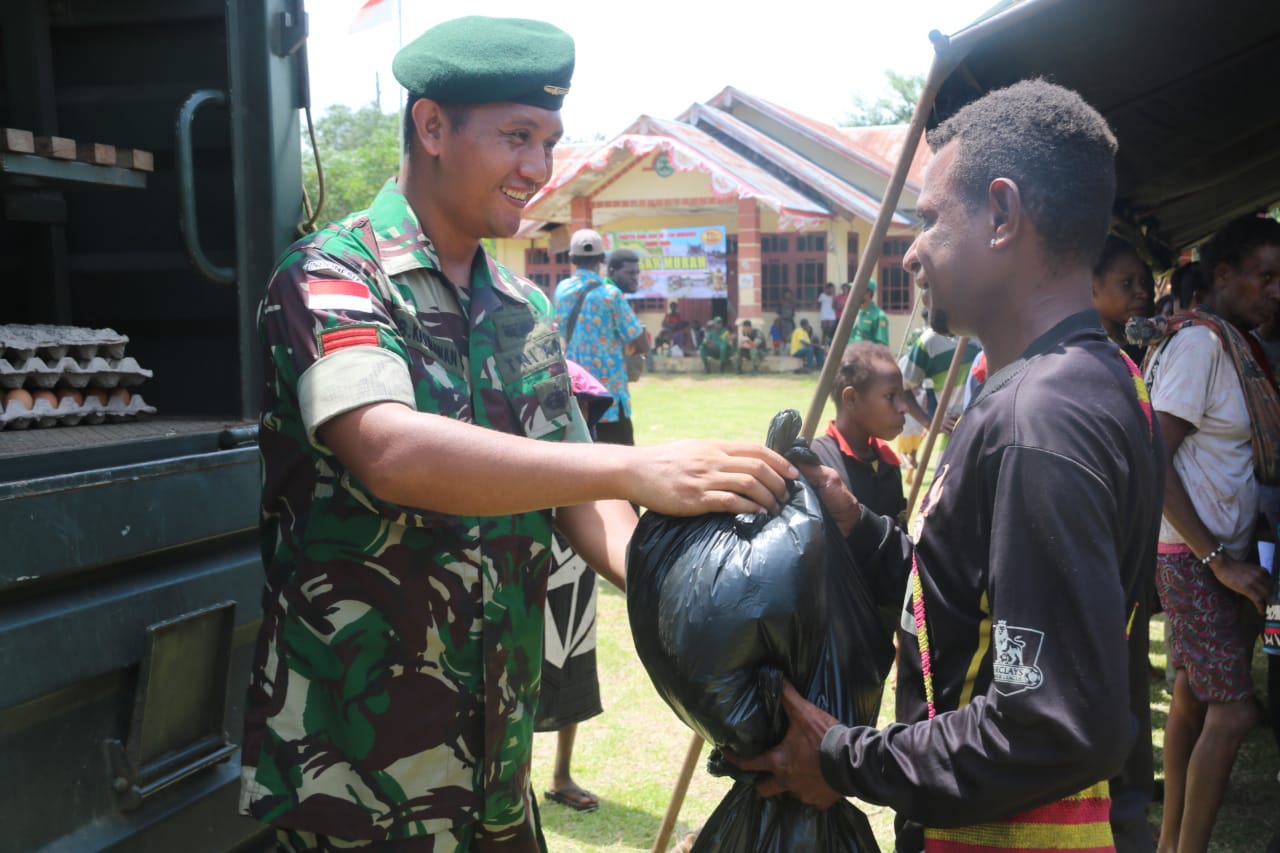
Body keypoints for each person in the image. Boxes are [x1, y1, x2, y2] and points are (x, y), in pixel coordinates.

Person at [242, 16, 796, 851]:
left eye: (549, 141)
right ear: (431, 126)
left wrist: (701, 598)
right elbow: (389, 449)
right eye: (517, 137)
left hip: (495, 773)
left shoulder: (524, 310)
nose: (538, 168)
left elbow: (585, 499)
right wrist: (634, 465)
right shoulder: (331, 276)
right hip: (348, 779)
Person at [728, 79, 1164, 853]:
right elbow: (976, 602)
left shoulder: (1040, 419)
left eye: (928, 218)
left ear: (1001, 216)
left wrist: (842, 756)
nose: (912, 249)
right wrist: (857, 522)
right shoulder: (1101, 379)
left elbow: (1053, 722)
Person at [1144, 213, 1280, 853]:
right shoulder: (1201, 345)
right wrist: (1219, 559)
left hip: (1214, 552)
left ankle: (1172, 843)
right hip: (1195, 557)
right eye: (1266, 277)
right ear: (1223, 276)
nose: (1277, 291)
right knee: (1235, 711)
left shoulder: (1232, 342)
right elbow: (1153, 458)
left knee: (1195, 696)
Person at [809, 341, 909, 527]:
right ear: (851, 398)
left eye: (902, 396)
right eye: (890, 396)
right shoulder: (816, 464)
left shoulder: (889, 464)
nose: (903, 407)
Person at [557, 246, 649, 445]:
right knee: (622, 462)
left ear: (572, 258)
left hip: (578, 394)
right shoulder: (610, 294)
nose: (635, 278)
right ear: (602, 261)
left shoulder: (561, 290)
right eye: (631, 273)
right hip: (610, 397)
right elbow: (641, 343)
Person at [1092, 234, 1153, 363]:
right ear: (1093, 286)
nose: (1142, 293)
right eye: (1127, 283)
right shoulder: (1075, 356)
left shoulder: (1146, 353)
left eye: (1143, 282)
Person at [850, 279, 889, 346]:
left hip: (866, 355)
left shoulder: (879, 316)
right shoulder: (853, 313)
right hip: (850, 354)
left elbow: (882, 345)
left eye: (857, 291)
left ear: (868, 293)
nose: (853, 294)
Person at [818, 282, 838, 346]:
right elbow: (818, 305)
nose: (832, 290)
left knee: (831, 332)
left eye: (833, 289)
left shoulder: (834, 297)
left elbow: (834, 306)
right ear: (827, 289)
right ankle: (823, 346)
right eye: (831, 289)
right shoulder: (822, 295)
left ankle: (830, 346)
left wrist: (834, 297)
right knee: (824, 332)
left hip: (832, 316)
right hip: (824, 316)